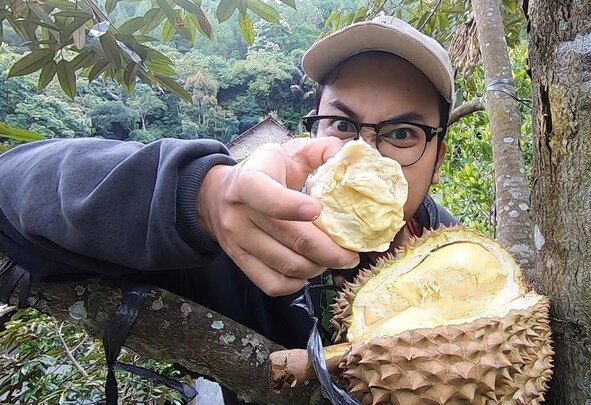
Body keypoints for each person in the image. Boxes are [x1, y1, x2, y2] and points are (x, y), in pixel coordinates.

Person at [0, 15, 458, 400]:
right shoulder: (236, 236)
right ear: (312, 134)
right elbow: (12, 192)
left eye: (402, 133)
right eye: (341, 124)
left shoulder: (454, 257)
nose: (366, 153)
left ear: (437, 159)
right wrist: (198, 199)